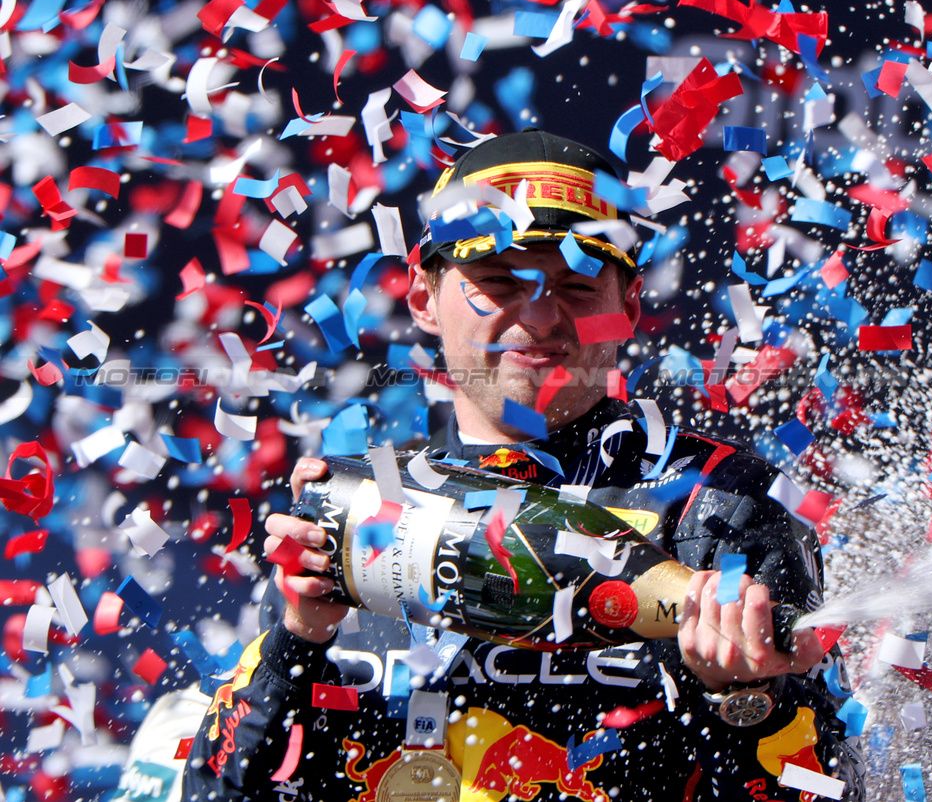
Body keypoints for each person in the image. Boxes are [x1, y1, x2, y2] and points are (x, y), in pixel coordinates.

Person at [184, 129, 866, 801]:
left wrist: (744, 699)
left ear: (626, 308)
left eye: (575, 286)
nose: (539, 319)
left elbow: (834, 787)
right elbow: (213, 792)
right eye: (500, 280)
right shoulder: (356, 504)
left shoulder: (718, 508)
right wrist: (297, 644)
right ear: (423, 299)